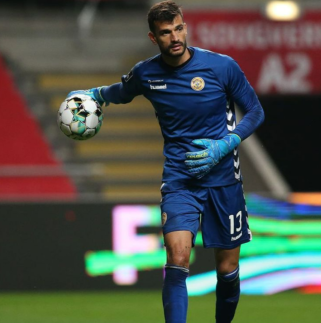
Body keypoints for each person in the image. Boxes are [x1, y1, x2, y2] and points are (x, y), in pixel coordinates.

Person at [67, 1, 264, 322]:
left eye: (178, 28)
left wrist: (227, 143)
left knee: (227, 268)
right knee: (177, 257)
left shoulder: (222, 67)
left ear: (184, 27)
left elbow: (256, 111)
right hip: (180, 182)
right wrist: (93, 95)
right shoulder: (147, 73)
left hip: (224, 180)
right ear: (153, 38)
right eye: (165, 33)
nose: (174, 37)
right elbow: (121, 91)